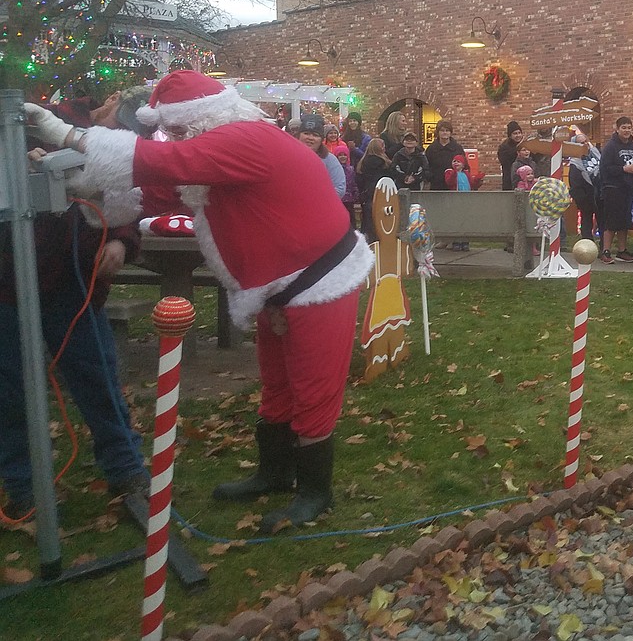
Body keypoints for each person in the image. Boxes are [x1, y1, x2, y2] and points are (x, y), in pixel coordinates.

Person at [22, 71, 375, 532]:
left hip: (319, 278)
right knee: (278, 383)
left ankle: (315, 491)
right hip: (280, 285)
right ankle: (274, 473)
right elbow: (151, 191)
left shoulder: (247, 140)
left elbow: (164, 164)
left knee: (313, 387)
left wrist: (66, 134)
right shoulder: (221, 150)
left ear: (205, 116)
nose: (179, 136)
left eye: (181, 126)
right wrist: (78, 182)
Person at [2, 92, 148, 523]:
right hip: (4, 288)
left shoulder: (60, 123)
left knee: (96, 376)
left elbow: (117, 189)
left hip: (70, 282)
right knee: (9, 392)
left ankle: (125, 469)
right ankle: (22, 483)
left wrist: (122, 240)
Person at [598, 116, 633, 264]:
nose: (627, 130)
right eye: (624, 127)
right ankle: (606, 251)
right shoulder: (610, 147)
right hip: (613, 188)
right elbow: (605, 168)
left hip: (629, 189)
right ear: (617, 129)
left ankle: (622, 251)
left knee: (624, 222)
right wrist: (624, 169)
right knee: (611, 222)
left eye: (629, 127)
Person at [357, 138, 396, 241]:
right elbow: (389, 178)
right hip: (381, 193)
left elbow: (359, 180)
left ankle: (369, 239)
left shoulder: (362, 162)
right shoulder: (384, 163)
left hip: (367, 193)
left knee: (368, 219)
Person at [300, 113, 346, 198]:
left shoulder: (329, 160)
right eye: (306, 133)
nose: (310, 138)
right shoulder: (289, 156)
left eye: (315, 135)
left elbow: (339, 188)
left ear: (321, 139)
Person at [445, 154, 484, 251]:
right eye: (454, 161)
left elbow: (473, 185)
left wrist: (478, 180)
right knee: (456, 221)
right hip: (455, 201)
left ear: (463, 164)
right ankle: (456, 241)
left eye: (458, 161)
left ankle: (465, 241)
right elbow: (449, 182)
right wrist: (455, 172)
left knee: (466, 220)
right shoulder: (449, 172)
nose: (456, 163)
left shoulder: (466, 173)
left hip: (466, 201)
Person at [568, 131, 601, 241]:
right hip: (586, 199)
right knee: (586, 222)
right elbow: (575, 185)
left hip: (600, 196)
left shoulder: (597, 154)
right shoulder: (575, 163)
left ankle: (604, 248)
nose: (585, 144)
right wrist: (583, 201)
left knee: (603, 223)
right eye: (581, 143)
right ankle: (587, 246)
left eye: (586, 141)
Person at [424, 120, 465, 190]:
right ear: (438, 132)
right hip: (436, 185)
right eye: (442, 130)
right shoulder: (431, 149)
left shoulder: (457, 148)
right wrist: (430, 177)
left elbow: (464, 165)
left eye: (447, 130)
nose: (445, 132)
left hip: (454, 185)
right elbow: (426, 165)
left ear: (450, 133)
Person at [334, 145, 360, 229]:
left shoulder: (351, 169)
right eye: (340, 155)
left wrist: (355, 194)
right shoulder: (333, 170)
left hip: (349, 199)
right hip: (338, 199)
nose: (342, 157)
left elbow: (353, 183)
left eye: (344, 155)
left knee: (351, 220)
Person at [497, 120, 525, 191]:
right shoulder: (504, 147)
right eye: (515, 133)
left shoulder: (525, 145)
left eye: (519, 133)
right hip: (509, 181)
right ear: (510, 135)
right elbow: (505, 162)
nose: (518, 135)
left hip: (525, 181)